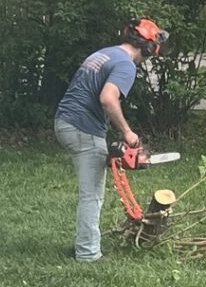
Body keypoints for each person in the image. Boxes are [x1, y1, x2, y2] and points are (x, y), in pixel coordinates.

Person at [54, 18, 169, 262]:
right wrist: (127, 133)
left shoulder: (105, 54)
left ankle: (86, 246)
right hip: (82, 128)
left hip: (64, 122)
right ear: (148, 48)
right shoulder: (126, 65)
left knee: (95, 169)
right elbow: (108, 98)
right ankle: (87, 253)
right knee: (92, 194)